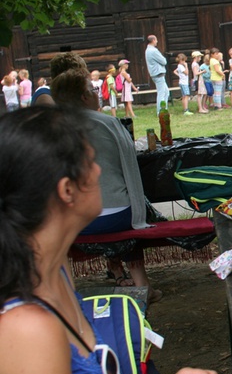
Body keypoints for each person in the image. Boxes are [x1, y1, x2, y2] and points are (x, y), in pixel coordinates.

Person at [0, 106, 230, 374]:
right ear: (66, 190)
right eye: (90, 162)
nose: (97, 172)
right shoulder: (26, 328)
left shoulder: (56, 274)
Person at [51, 68, 163, 302]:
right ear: (83, 97)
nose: (97, 93)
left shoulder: (47, 129)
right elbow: (131, 171)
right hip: (118, 214)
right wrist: (139, 215)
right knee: (127, 204)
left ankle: (63, 290)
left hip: (72, 221)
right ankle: (143, 286)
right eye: (93, 89)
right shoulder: (109, 123)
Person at [145, 35, 168, 116]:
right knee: (161, 94)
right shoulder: (153, 51)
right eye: (156, 40)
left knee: (166, 92)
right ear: (153, 40)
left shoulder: (148, 50)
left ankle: (164, 109)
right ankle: (160, 112)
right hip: (158, 74)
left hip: (156, 74)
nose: (157, 41)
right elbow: (164, 61)